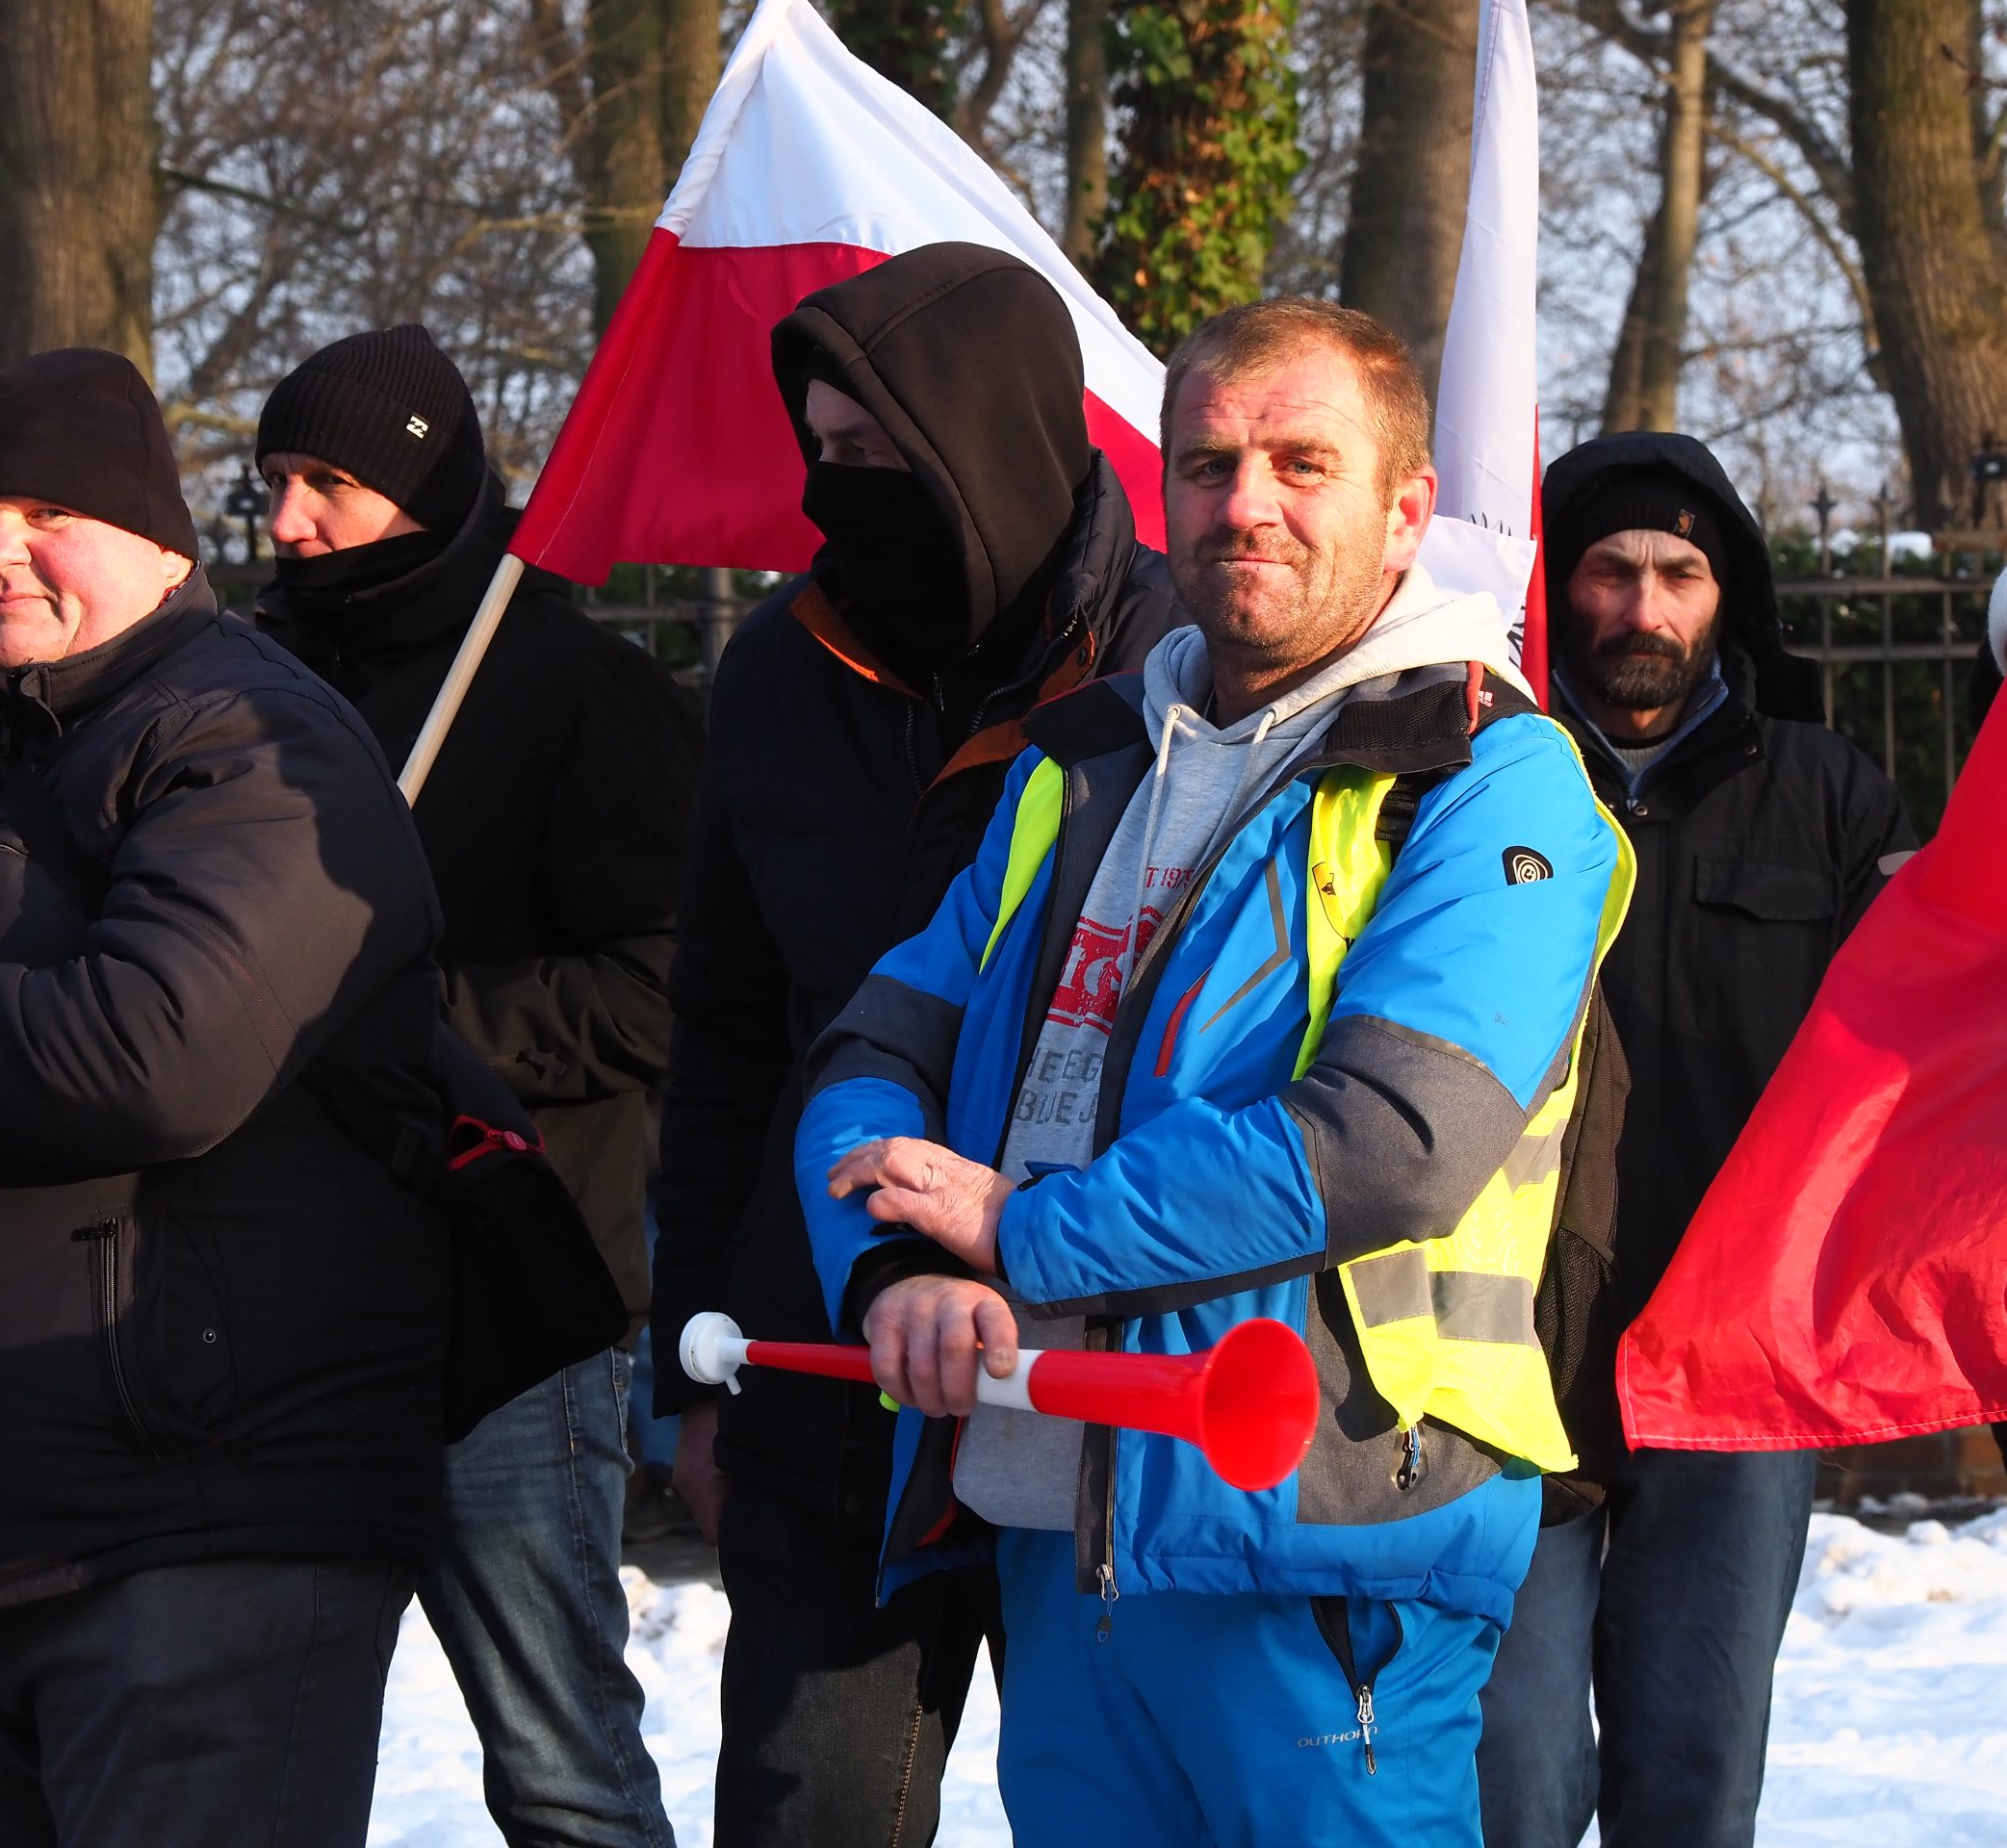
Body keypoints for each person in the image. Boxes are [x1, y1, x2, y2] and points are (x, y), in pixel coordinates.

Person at [791, 295, 1630, 1846]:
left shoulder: (1492, 777)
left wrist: (1019, 1232)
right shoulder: (1084, 756)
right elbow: (873, 1048)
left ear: (1406, 511)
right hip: (1061, 1524)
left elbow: (1396, 1136)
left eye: (1302, 463)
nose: (1245, 504)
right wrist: (894, 1266)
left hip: (1329, 1542)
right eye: (1207, 463)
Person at [648, 242, 1180, 1846]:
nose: (837, 492)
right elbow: (726, 1036)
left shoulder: (1180, 665)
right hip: (824, 1357)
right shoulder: (777, 668)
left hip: (1097, 1358)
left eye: (877, 454)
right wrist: (698, 1359)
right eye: (821, 452)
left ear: (989, 439)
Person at [0, 347, 450, 1844]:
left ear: (161, 547)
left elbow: (155, 1053)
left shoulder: (251, 733)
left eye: (50, 514)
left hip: (198, 1530)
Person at [251, 324, 696, 1848]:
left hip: (511, 1296)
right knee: (259, 1754)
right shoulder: (248, 682)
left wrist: (406, 1019)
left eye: (329, 484)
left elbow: (662, 991)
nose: (289, 521)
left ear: (427, 492)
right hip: (279, 1304)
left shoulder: (579, 688)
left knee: (557, 1759)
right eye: (272, 482)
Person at [1476, 431, 1915, 1848]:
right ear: (1560, 585)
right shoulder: (1477, 782)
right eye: (1609, 571)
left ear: (1728, 595)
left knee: (1700, 1780)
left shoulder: (1830, 794)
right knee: (1513, 1782)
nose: (1643, 607)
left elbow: (1908, 1058)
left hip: (1737, 1359)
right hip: (1505, 1354)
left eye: (1680, 573)